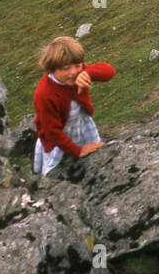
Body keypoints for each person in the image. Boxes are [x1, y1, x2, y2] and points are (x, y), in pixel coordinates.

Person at [32, 37, 116, 175]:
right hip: (59, 139)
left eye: (77, 65)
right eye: (66, 68)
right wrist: (78, 151)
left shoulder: (80, 72)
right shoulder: (44, 94)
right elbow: (52, 131)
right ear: (52, 69)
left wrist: (87, 73)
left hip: (83, 128)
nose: (73, 72)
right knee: (60, 173)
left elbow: (109, 71)